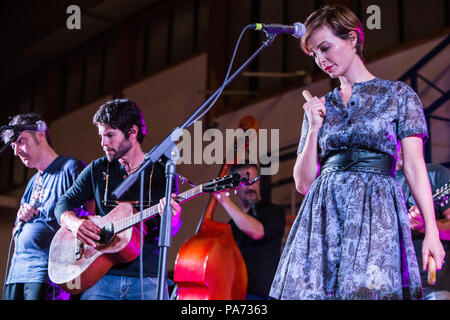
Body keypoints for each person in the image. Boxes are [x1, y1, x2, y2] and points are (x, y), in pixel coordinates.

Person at [269, 5, 445, 300]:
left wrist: (431, 231)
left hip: (377, 213)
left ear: (352, 38)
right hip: (323, 214)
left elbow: (414, 166)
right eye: (314, 54)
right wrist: (314, 128)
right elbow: (303, 183)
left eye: (325, 47)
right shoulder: (319, 105)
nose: (321, 59)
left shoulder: (398, 95)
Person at [54, 98, 182, 300]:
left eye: (110, 135)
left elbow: (171, 230)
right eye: (101, 136)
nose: (103, 143)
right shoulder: (98, 168)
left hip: (147, 279)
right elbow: (63, 203)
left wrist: (173, 218)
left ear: (132, 132)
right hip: (100, 276)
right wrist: (74, 223)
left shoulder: (162, 171)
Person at [1, 113, 86, 300]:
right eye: (13, 146)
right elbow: (17, 233)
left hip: (45, 273)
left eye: (21, 141)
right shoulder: (32, 182)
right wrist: (21, 219)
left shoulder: (70, 168)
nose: (16, 151)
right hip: (16, 273)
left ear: (40, 133)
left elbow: (87, 218)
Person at [215, 164, 286, 299]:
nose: (251, 186)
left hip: (265, 295)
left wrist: (224, 201)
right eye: (245, 181)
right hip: (237, 294)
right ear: (235, 187)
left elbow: (257, 231)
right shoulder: (231, 226)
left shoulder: (273, 211)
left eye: (255, 180)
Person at [396, 148, 450, 299]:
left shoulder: (436, 174)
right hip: (390, 283)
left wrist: (424, 226)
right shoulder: (381, 182)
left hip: (432, 288)